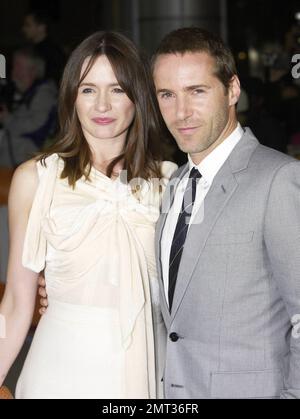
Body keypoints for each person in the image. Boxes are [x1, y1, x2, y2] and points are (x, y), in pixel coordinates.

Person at [0, 31, 177, 399]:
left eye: (117, 89)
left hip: (150, 369)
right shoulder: (36, 179)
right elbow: (17, 302)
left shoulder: (170, 182)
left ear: (138, 97)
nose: (102, 106)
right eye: (88, 89)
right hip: (58, 371)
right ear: (71, 97)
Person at [151, 27, 300, 399]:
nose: (181, 112)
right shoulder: (175, 185)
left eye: (197, 92)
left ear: (232, 90)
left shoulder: (279, 178)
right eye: (167, 95)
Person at [0, 46, 57, 167]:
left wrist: (6, 118)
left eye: (19, 66)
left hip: (25, 163)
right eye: (14, 66)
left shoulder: (44, 94)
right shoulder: (28, 93)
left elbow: (36, 126)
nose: (14, 71)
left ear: (33, 70)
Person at [22, 9, 66, 86]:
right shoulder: (29, 49)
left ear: (41, 27)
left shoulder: (53, 52)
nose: (24, 29)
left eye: (28, 25)